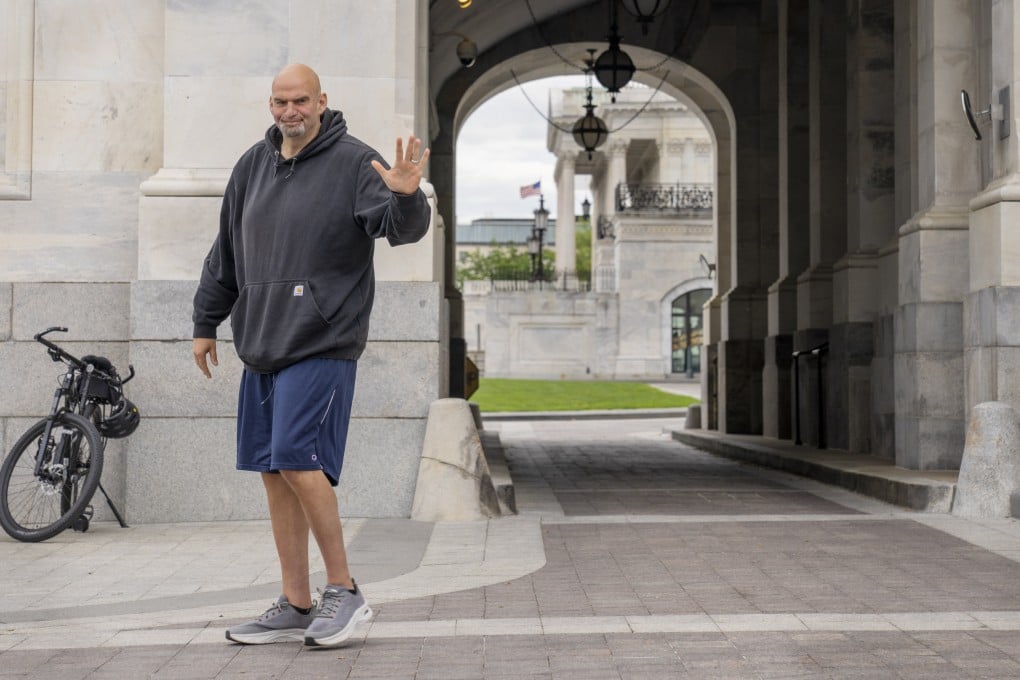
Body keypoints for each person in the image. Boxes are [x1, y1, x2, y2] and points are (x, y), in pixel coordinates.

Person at [191, 63, 431, 648]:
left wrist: (406, 196)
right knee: (274, 472)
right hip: (261, 343)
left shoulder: (355, 162)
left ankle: (344, 591)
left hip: (322, 342)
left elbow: (403, 228)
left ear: (322, 101)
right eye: (279, 101)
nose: (289, 112)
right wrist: (206, 321)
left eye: (299, 101)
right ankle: (296, 601)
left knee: (299, 460)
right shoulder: (252, 165)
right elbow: (226, 249)